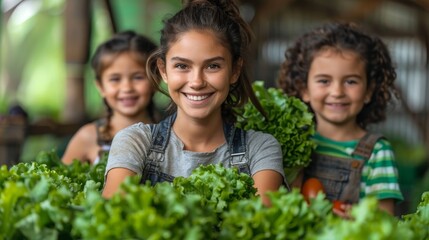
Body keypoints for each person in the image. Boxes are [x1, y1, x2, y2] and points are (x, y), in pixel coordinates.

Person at [102, 0, 286, 206]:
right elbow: (114, 217)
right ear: (163, 70)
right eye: (182, 65)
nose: (197, 82)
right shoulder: (134, 142)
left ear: (234, 71)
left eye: (213, 66)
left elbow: (259, 228)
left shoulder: (261, 149)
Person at [277, 22, 403, 216]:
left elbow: (384, 220)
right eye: (324, 81)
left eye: (351, 81)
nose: (337, 92)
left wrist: (356, 217)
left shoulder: (377, 152)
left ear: (368, 91)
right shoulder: (293, 144)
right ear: (304, 89)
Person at [61, 31, 160, 165]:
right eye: (115, 79)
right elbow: (59, 182)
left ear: (156, 81)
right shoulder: (88, 137)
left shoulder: (171, 135)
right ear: (101, 86)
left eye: (138, 77)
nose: (127, 88)